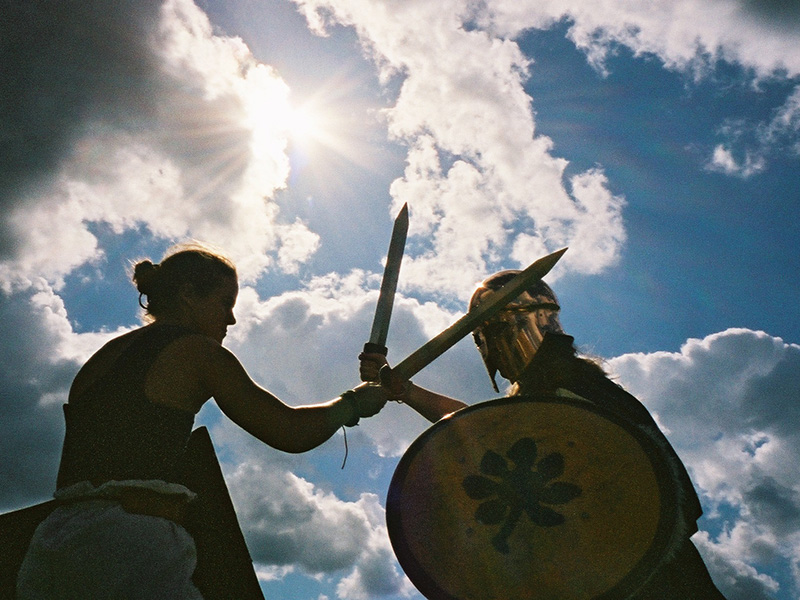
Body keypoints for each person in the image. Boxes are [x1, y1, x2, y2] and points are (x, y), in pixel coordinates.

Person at [16, 242, 387, 600]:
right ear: (189, 294)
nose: (232, 318)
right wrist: (352, 404)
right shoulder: (199, 352)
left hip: (51, 547)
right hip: (128, 546)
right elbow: (288, 431)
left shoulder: (97, 362)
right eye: (225, 303)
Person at [360, 271, 727, 599]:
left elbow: (480, 429)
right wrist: (404, 389)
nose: (489, 351)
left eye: (490, 334)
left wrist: (403, 389)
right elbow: (480, 427)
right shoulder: (549, 391)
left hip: (650, 577)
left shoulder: (569, 386)